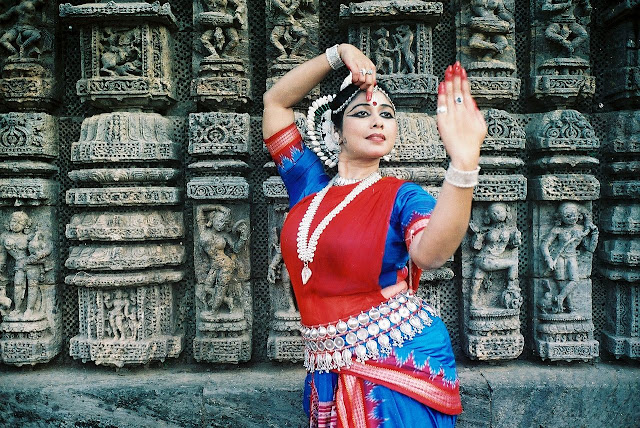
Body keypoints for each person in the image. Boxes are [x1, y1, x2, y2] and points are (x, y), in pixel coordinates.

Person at [263, 43, 486, 427]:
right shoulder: (307, 183)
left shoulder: (402, 196)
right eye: (362, 113)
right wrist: (338, 54)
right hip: (326, 368)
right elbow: (275, 103)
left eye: (386, 114)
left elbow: (431, 255)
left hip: (397, 362)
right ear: (336, 131)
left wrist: (463, 166)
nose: (377, 121)